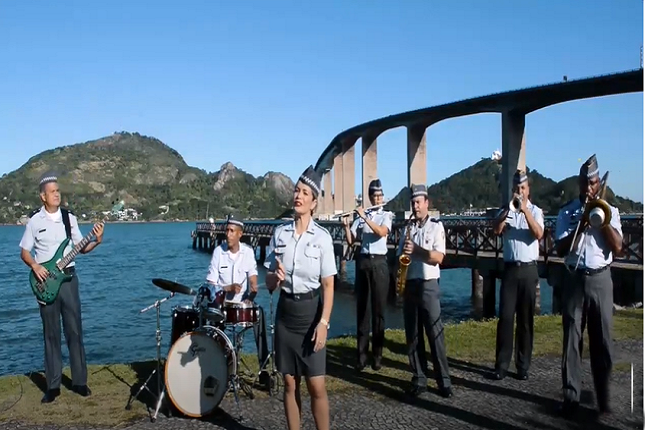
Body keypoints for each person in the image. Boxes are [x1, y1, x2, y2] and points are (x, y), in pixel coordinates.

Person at [19, 172, 104, 403]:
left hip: (69, 281)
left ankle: (79, 382)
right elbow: (25, 252)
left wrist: (96, 240)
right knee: (51, 334)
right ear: (43, 197)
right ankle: (53, 386)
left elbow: (80, 248)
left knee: (75, 331)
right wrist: (35, 266)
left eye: (58, 191)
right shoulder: (34, 221)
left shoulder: (70, 219)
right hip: (45, 282)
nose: (58, 194)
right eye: (53, 192)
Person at [264, 165, 337, 430]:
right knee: (289, 381)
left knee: (316, 384)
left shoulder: (323, 238)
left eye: (305, 192)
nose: (298, 196)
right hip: (286, 313)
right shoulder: (279, 234)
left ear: (314, 202)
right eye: (296, 190)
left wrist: (324, 322)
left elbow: (329, 285)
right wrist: (275, 278)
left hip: (311, 314)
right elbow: (269, 282)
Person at [554, 154, 623, 418]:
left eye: (594, 183)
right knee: (572, 339)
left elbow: (617, 247)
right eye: (586, 183)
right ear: (580, 184)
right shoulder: (567, 211)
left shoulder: (610, 211)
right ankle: (570, 398)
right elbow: (560, 248)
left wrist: (600, 217)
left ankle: (603, 399)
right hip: (574, 278)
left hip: (601, 278)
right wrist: (581, 225)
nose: (590, 187)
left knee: (602, 340)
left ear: (598, 183)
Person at [397, 184, 452, 399]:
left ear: (427, 203)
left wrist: (418, 251)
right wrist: (399, 276)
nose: (415, 206)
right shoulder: (407, 228)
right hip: (410, 283)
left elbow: (439, 257)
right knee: (413, 335)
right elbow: (402, 258)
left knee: (434, 333)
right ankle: (419, 377)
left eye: (419, 202)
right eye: (413, 203)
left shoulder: (436, 227)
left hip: (428, 284)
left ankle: (444, 380)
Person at [201, 213, 269, 384]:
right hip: (223, 304)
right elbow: (210, 284)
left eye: (232, 231)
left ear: (240, 234)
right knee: (213, 323)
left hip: (241, 303)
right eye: (227, 230)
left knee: (259, 315)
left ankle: (264, 369)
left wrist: (252, 293)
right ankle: (219, 368)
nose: (228, 234)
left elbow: (253, 279)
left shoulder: (248, 252)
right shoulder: (218, 252)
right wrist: (227, 288)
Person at [491, 169, 544, 381]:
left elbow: (538, 233)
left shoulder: (536, 211)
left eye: (523, 188)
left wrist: (525, 212)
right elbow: (496, 229)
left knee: (525, 320)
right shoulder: (506, 209)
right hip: (511, 270)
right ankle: (501, 365)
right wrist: (508, 212)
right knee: (505, 318)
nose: (519, 191)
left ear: (528, 189)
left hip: (529, 269)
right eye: (516, 188)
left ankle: (523, 365)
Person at [342, 178, 393, 371]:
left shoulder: (386, 215)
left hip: (379, 262)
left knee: (378, 311)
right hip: (363, 261)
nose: (378, 198)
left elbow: (381, 232)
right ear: (371, 197)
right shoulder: (364, 215)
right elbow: (351, 240)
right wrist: (347, 226)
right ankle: (361, 356)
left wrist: (364, 218)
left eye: (380, 195)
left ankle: (377, 356)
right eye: (375, 196)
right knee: (362, 310)